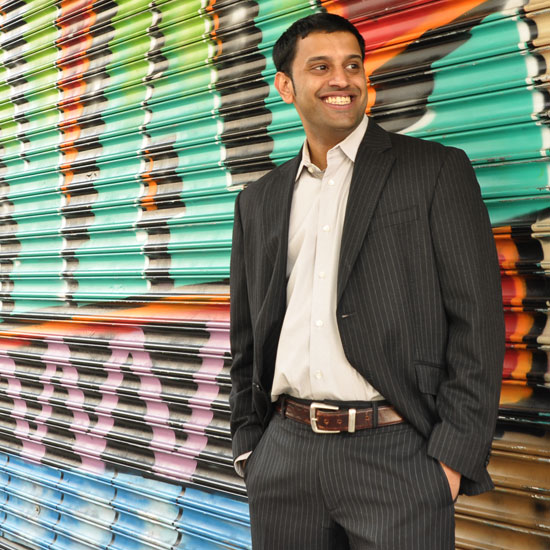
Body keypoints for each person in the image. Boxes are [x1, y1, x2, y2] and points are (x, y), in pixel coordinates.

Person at [229, 12, 504, 550]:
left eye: (352, 65)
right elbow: (246, 335)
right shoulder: (258, 200)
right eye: (321, 67)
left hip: (398, 455)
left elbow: (478, 322)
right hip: (284, 456)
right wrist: (250, 444)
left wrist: (451, 459)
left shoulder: (434, 170)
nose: (342, 79)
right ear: (285, 86)